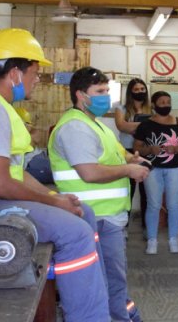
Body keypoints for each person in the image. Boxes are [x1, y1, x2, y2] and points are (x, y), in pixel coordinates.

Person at [0, 28, 110, 322]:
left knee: (83, 212)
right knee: (76, 233)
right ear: (14, 73)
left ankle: (89, 299)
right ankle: (89, 317)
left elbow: (16, 173)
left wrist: (54, 196)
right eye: (34, 73)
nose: (37, 80)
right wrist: (54, 204)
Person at [48, 67, 149, 322]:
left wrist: (131, 157)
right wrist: (129, 169)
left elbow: (117, 153)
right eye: (100, 92)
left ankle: (119, 317)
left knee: (114, 280)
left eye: (107, 91)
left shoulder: (96, 125)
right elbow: (89, 173)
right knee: (99, 283)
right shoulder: (75, 127)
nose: (106, 97)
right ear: (81, 95)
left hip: (107, 217)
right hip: (91, 217)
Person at [133, 91, 178, 255]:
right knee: (153, 204)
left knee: (174, 204)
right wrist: (149, 149)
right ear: (153, 105)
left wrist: (176, 149)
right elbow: (136, 147)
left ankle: (173, 239)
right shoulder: (145, 125)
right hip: (152, 169)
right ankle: (152, 240)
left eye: (168, 102)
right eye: (162, 102)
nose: (166, 105)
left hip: (174, 169)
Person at [114, 78, 151, 229]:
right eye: (137, 89)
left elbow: (156, 128)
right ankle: (124, 227)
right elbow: (122, 126)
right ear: (130, 92)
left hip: (146, 151)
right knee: (127, 192)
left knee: (147, 193)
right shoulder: (121, 109)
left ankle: (146, 228)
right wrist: (145, 125)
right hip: (127, 153)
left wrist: (134, 127)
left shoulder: (151, 110)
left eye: (143, 89)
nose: (140, 92)